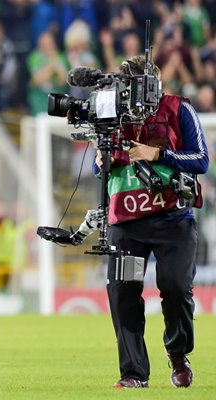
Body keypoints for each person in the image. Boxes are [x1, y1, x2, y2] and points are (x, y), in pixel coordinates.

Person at [94, 55, 209, 389]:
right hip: (127, 220)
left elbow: (201, 159)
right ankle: (133, 373)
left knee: (175, 288)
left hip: (173, 218)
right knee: (123, 294)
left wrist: (157, 154)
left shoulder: (179, 109)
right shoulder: (109, 116)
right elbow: (102, 167)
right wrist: (100, 160)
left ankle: (177, 354)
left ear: (151, 84)